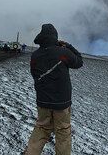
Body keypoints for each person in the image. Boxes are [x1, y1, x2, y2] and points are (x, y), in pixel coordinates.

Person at [25, 24, 83, 155]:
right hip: (62, 103)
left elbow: (34, 74)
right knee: (63, 132)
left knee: (41, 128)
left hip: (42, 101)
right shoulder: (63, 52)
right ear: (54, 38)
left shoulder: (35, 55)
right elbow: (79, 62)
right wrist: (68, 46)